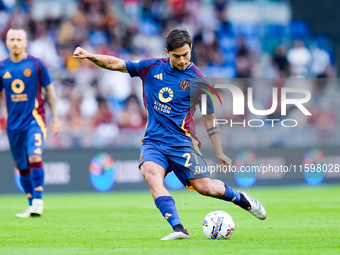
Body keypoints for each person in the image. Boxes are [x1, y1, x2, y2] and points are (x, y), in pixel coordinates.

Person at [73, 28, 266, 240]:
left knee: (206, 188)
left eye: (186, 54)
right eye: (177, 56)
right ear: (167, 52)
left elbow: (210, 118)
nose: (183, 60)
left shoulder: (199, 81)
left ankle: (241, 199)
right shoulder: (151, 68)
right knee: (151, 175)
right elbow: (116, 64)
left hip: (182, 144)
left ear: (191, 48)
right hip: (153, 142)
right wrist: (90, 56)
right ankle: (178, 228)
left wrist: (219, 151)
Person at [0, 27, 61, 218]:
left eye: (19, 39)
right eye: (12, 39)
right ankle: (30, 203)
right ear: (7, 42)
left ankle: (38, 201)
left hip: (35, 120)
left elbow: (50, 91)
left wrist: (55, 118)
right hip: (13, 125)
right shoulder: (2, 68)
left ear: (26, 42)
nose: (16, 43)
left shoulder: (37, 64)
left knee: (34, 156)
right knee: (21, 166)